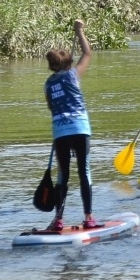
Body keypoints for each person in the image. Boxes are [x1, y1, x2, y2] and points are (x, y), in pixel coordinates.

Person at [44, 19, 97, 231]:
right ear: (68, 64)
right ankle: (89, 217)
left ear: (51, 66)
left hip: (60, 131)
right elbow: (87, 53)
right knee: (84, 171)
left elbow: (51, 107)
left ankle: (58, 219)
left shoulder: (48, 84)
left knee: (63, 175)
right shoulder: (73, 75)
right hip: (80, 128)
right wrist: (79, 30)